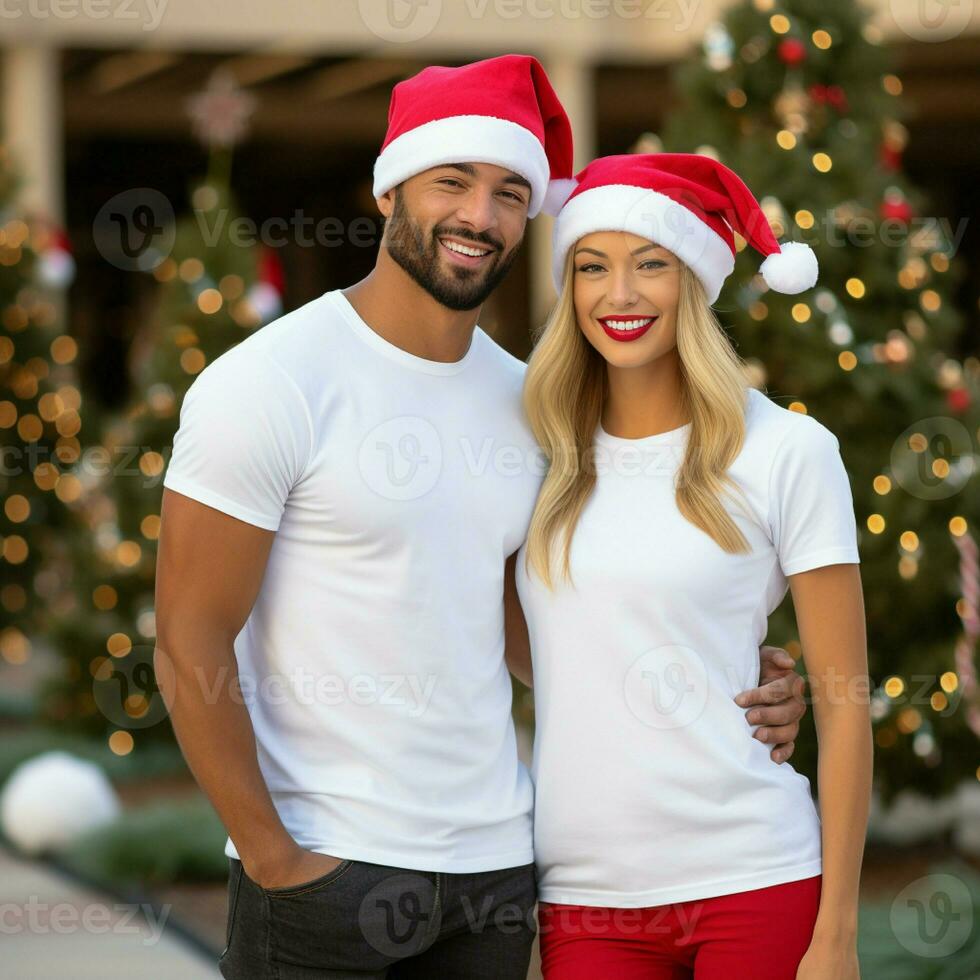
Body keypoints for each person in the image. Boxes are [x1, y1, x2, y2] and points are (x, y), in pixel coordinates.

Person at [155, 58, 807, 978]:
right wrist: (273, 858)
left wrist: (735, 678)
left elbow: (536, 624)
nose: (481, 216)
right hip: (322, 871)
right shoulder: (270, 382)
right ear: (391, 192)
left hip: (495, 878)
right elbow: (189, 635)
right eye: (451, 182)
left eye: (510, 192)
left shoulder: (528, 401)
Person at [514, 153, 872, 979]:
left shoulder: (788, 452)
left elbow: (846, 704)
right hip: (586, 897)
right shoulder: (538, 455)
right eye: (592, 267)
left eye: (652, 265)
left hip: (755, 878)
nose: (621, 295)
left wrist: (838, 936)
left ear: (696, 283)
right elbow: (539, 648)